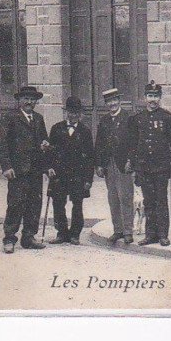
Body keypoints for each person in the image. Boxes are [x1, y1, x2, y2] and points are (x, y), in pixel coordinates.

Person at [0, 85, 51, 253]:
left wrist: (45, 145)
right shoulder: (10, 118)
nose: (29, 102)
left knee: (34, 204)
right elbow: (2, 144)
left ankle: (28, 237)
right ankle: (9, 239)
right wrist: (7, 167)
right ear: (19, 100)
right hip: (17, 170)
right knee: (15, 203)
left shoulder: (39, 118)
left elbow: (44, 140)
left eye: (32, 99)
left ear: (36, 102)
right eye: (26, 98)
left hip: (35, 170)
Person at [126, 81, 171, 247]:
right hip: (144, 167)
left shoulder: (167, 118)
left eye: (156, 96)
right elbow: (133, 144)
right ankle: (150, 235)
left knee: (161, 201)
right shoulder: (137, 119)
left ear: (160, 97)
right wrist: (134, 166)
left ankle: (163, 235)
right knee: (148, 202)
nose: (152, 99)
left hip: (162, 167)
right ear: (145, 98)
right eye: (150, 96)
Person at [46, 96, 95, 245]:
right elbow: (49, 151)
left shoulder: (85, 131)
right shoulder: (56, 128)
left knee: (77, 204)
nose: (73, 115)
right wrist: (49, 167)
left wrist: (88, 179)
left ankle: (75, 234)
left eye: (76, 112)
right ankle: (61, 233)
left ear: (80, 113)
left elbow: (90, 157)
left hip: (78, 175)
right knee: (58, 204)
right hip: (59, 174)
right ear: (66, 112)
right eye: (70, 112)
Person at [95, 88, 135, 246]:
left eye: (114, 100)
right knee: (113, 198)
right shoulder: (104, 120)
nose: (112, 103)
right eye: (109, 101)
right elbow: (99, 143)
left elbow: (133, 142)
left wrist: (131, 160)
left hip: (123, 163)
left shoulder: (128, 118)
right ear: (106, 103)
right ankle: (118, 229)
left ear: (119, 100)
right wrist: (99, 164)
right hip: (108, 164)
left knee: (126, 197)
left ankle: (128, 231)